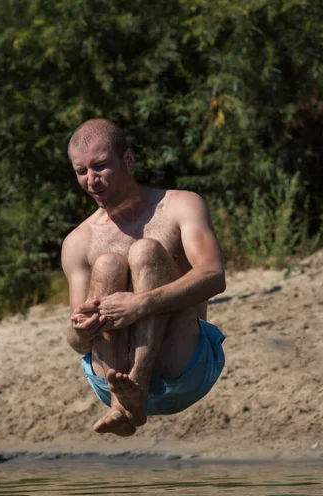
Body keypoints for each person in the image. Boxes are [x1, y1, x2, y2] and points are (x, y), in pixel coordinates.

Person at [61, 118, 226, 437]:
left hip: (180, 368)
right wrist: (81, 328)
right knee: (108, 264)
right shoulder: (77, 241)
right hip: (110, 381)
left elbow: (214, 275)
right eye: (81, 172)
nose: (91, 180)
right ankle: (124, 402)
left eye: (100, 166)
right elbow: (77, 343)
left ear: (128, 159)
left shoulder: (179, 205)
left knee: (146, 251)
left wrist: (140, 304)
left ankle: (137, 382)